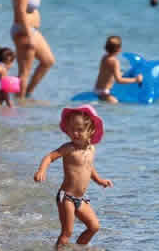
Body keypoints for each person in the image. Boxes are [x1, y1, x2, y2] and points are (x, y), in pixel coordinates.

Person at [33, 106, 112, 248]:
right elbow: (50, 156)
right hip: (66, 197)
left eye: (80, 129)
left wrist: (99, 180)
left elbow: (88, 168)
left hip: (81, 199)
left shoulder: (91, 149)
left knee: (94, 227)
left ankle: (79, 248)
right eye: (72, 129)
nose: (75, 133)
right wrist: (41, 170)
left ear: (91, 130)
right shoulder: (69, 148)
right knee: (66, 233)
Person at [11, 0, 55, 102]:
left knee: (48, 61)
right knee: (24, 72)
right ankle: (19, 103)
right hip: (24, 30)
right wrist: (28, 34)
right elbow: (21, 11)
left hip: (33, 31)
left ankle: (26, 94)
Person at [93, 36, 142, 104]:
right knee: (116, 103)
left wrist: (121, 73)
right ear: (119, 49)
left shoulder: (104, 57)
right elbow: (119, 80)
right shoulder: (115, 61)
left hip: (96, 89)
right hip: (104, 92)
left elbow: (107, 73)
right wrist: (136, 80)